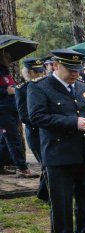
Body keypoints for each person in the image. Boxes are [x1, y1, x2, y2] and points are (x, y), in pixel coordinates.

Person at [27, 48, 85, 233]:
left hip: (84, 153)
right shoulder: (40, 88)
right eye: (70, 69)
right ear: (56, 65)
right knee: (61, 200)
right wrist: (72, 122)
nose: (75, 73)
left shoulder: (84, 87)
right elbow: (37, 117)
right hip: (58, 154)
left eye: (78, 69)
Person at [0, 49, 38, 178]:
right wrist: (6, 91)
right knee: (13, 139)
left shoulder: (5, 71)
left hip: (11, 110)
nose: (10, 59)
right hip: (3, 111)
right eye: (7, 57)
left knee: (4, 140)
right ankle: (22, 168)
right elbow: (6, 90)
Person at [15, 57, 48, 200]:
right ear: (28, 73)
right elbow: (23, 115)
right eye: (36, 72)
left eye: (41, 72)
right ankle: (47, 195)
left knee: (48, 164)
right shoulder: (22, 89)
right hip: (35, 132)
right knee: (46, 164)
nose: (40, 75)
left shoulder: (47, 86)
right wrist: (43, 121)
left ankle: (43, 193)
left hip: (48, 131)